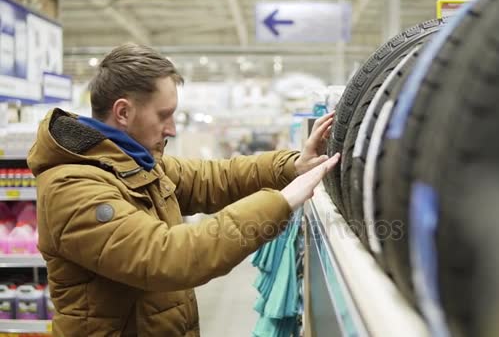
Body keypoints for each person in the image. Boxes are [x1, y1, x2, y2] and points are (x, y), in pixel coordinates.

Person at [27, 43, 339, 336]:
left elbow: (216, 177)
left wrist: (293, 165)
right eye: (164, 115)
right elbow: (168, 257)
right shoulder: (72, 188)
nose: (173, 128)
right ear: (123, 112)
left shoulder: (138, 164)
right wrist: (282, 202)